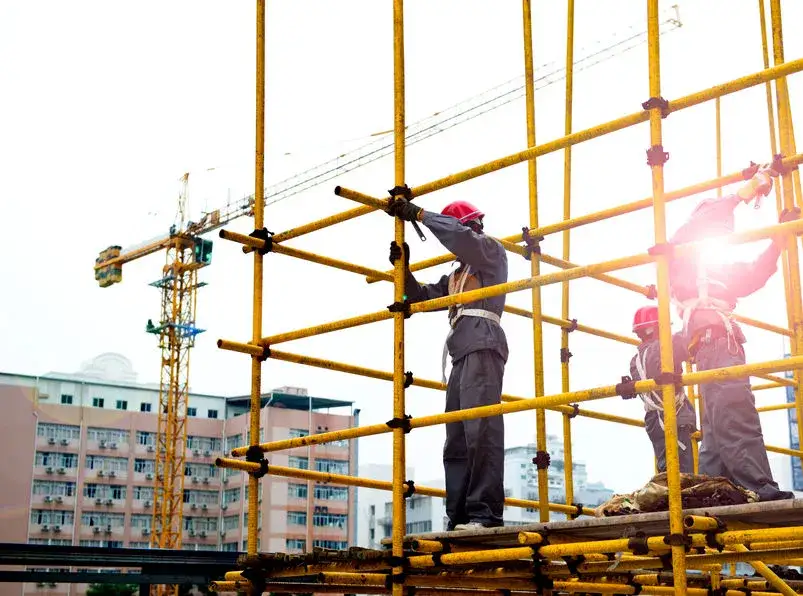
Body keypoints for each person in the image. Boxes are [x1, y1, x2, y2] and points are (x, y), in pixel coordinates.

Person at [666, 165, 797, 501]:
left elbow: (754, 273)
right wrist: (746, 191)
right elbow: (702, 220)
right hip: (714, 340)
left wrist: (779, 239)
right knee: (734, 408)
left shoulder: (713, 270)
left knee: (716, 422)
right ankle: (758, 486)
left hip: (717, 341)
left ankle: (714, 490)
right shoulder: (681, 255)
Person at [387, 198, 507, 531]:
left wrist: (422, 216)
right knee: (456, 437)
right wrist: (403, 270)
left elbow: (463, 239)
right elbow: (417, 299)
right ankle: (460, 515)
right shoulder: (457, 276)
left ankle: (485, 513)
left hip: (482, 345)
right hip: (461, 353)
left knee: (479, 428)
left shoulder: (490, 254)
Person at [628, 305, 696, 474]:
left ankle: (670, 498)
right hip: (673, 416)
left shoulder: (635, 360)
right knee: (682, 471)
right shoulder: (666, 347)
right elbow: (688, 340)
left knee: (665, 467)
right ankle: (683, 499)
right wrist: (691, 310)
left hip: (653, 420)